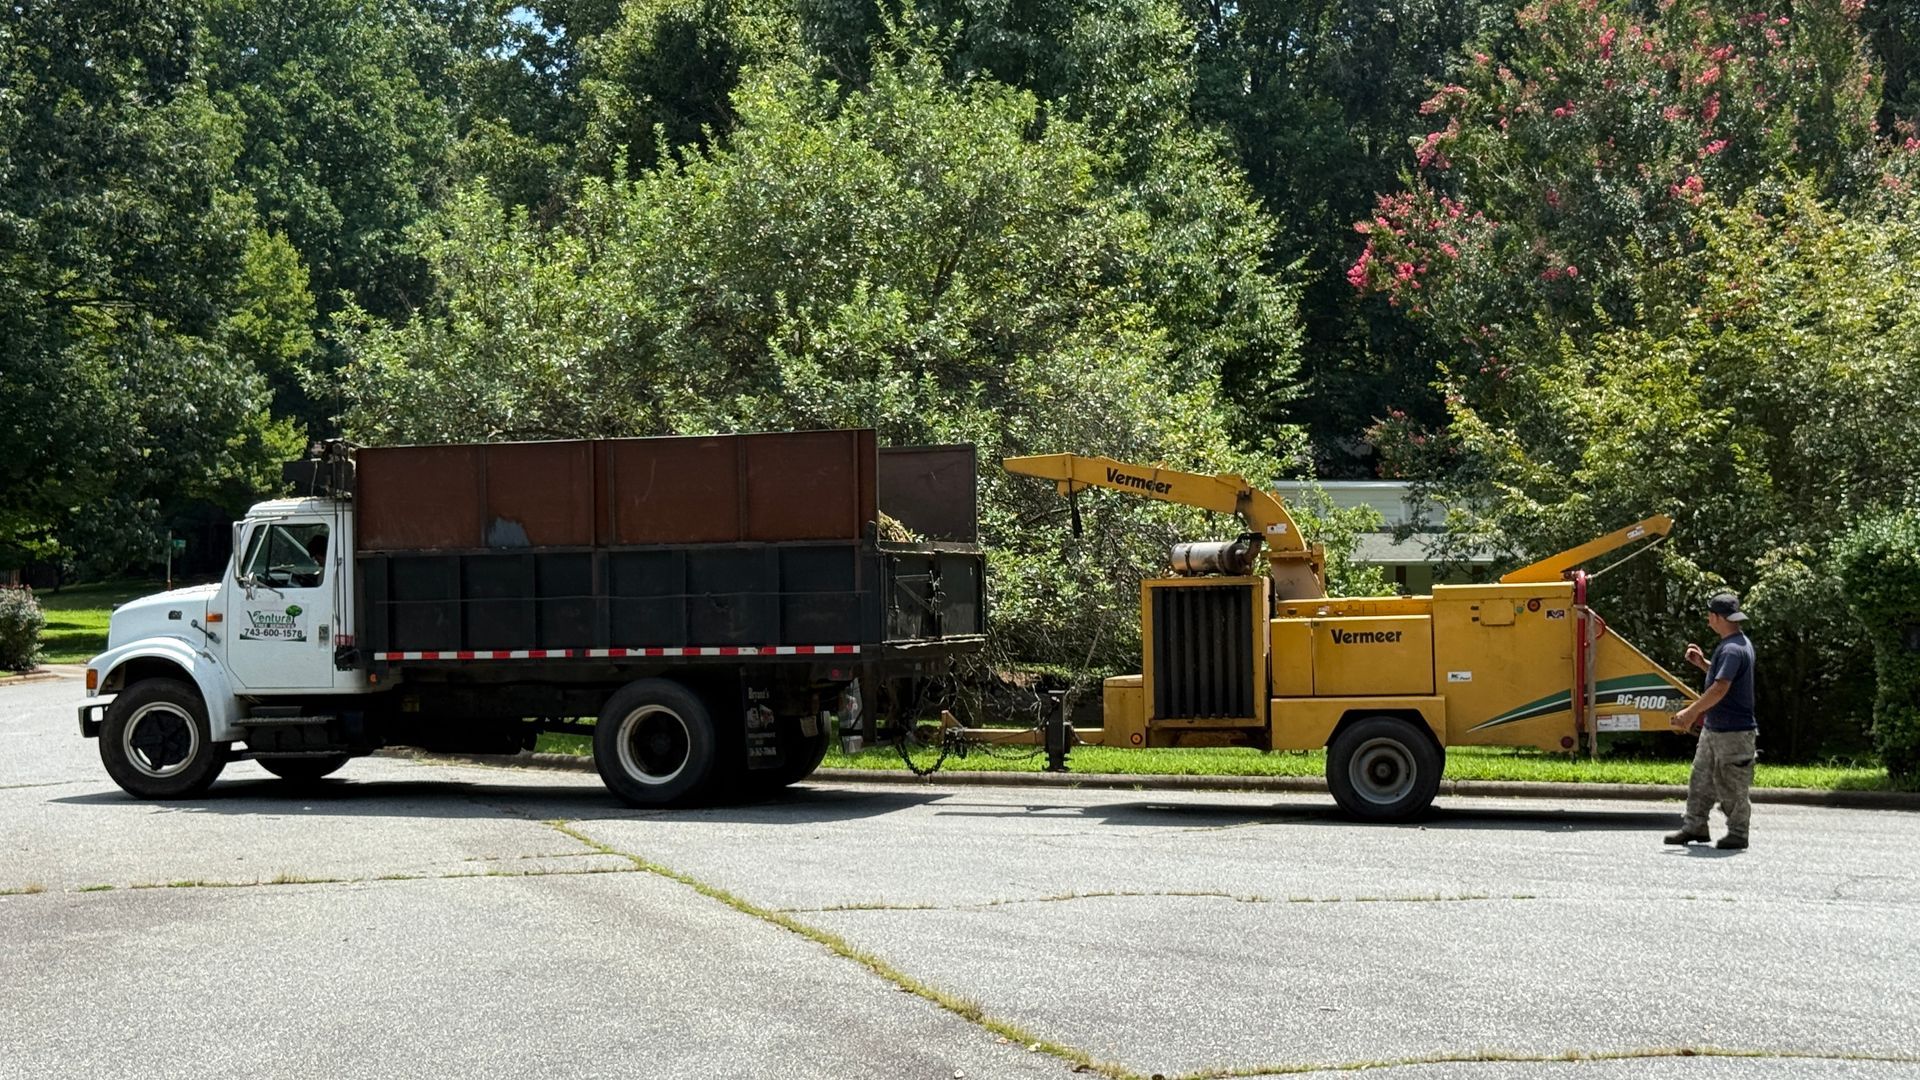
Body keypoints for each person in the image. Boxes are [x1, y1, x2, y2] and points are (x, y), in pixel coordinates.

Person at [1665, 592, 1758, 850]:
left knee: (1731, 783)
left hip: (1733, 732)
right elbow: (1725, 678)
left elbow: (1720, 688)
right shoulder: (1736, 644)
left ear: (1718, 617)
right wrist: (1703, 664)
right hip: (1715, 729)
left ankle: (1739, 833)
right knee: (1701, 778)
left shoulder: (1732, 649)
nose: (1708, 621)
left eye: (1710, 616)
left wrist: (1690, 713)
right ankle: (1695, 826)